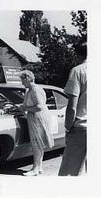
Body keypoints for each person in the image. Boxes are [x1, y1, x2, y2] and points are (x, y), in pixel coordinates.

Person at [18, 70, 55, 176]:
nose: (22, 83)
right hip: (35, 116)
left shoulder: (35, 89)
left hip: (37, 117)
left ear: (28, 78)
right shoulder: (30, 89)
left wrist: (24, 108)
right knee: (39, 144)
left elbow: (39, 106)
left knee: (36, 144)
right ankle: (39, 168)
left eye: (23, 80)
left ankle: (35, 169)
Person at [58, 42, 87, 176]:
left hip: (81, 128)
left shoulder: (78, 71)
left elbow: (72, 107)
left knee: (69, 174)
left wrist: (68, 127)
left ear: (77, 54)